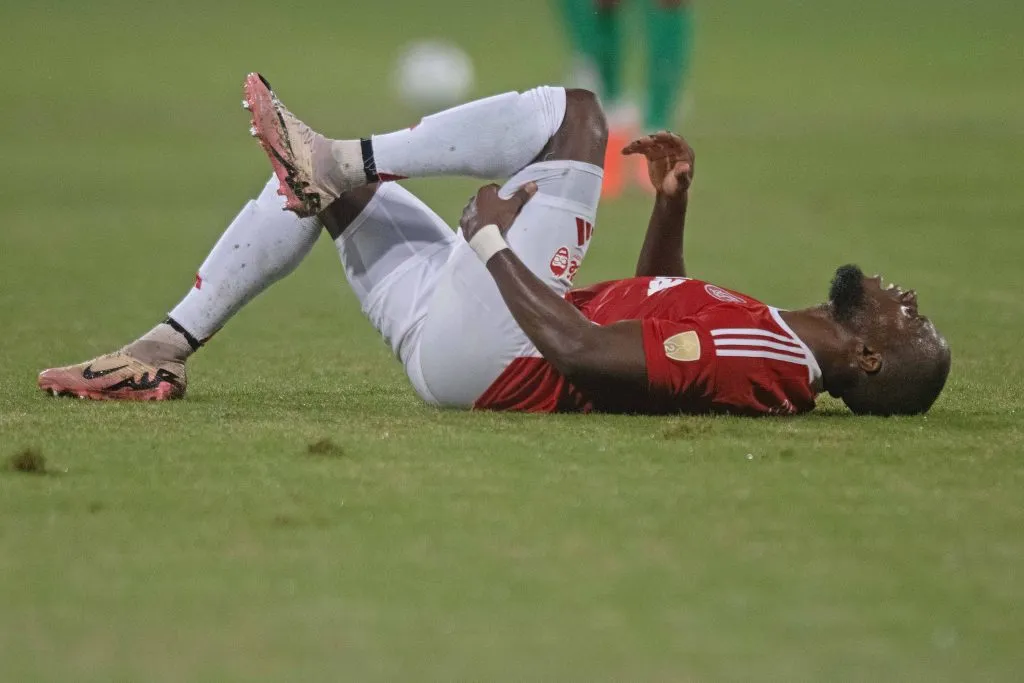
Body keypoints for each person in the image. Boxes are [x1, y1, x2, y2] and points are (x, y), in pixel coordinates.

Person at [39, 76, 950, 416]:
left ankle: (339, 154)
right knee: (327, 197)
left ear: (868, 356)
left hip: (505, 349)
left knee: (578, 118)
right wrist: (669, 211)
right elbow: (645, 322)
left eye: (913, 319)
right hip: (473, 346)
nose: (908, 294)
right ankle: (163, 351)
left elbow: (586, 349)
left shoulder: (770, 355)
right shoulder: (771, 345)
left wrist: (488, 247)